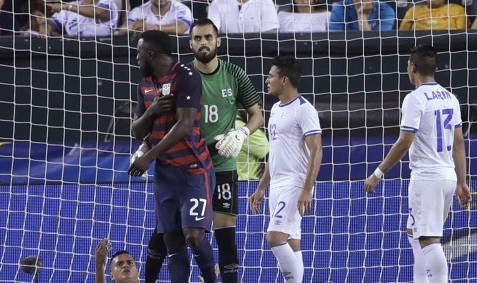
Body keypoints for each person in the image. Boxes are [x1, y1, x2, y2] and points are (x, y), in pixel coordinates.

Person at [137, 19, 264, 283]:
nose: (203, 42)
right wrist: (148, 143)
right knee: (166, 235)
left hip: (222, 164)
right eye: (197, 38)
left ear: (218, 41)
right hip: (182, 163)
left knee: (224, 233)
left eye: (208, 37)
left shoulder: (234, 73)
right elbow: (163, 120)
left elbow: (256, 115)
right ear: (190, 43)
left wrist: (241, 132)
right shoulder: (179, 76)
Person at [364, 44, 472, 283]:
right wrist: (462, 182)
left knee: (429, 240)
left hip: (427, 178)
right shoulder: (451, 98)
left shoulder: (415, 98)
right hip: (447, 176)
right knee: (415, 232)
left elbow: (405, 141)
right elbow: (459, 143)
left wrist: (378, 173)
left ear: (412, 68)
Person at [128, 30, 217, 283]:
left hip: (194, 170)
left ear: (151, 54)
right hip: (166, 174)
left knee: (194, 236)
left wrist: (149, 157)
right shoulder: (144, 84)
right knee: (172, 240)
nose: (136, 58)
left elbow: (185, 124)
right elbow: (136, 130)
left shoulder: (186, 76)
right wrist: (152, 111)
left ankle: (212, 277)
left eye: (139, 52)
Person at [249, 55, 323, 283]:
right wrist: (262, 187)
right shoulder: (275, 109)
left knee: (275, 237)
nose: (267, 80)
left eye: (271, 75)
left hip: (295, 183)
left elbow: (317, 150)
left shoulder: (304, 109)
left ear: (284, 80)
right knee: (292, 242)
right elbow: (274, 153)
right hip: (278, 185)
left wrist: (306, 188)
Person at [117, 0, 192, 36]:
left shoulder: (182, 9)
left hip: (178, 50)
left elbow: (181, 28)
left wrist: (153, 28)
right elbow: (122, 30)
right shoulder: (139, 10)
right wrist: (136, 26)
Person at [45, 0, 118, 37]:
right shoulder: (70, 8)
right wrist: (45, 27)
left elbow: (99, 12)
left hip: (103, 51)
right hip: (76, 52)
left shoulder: (108, 3)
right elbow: (51, 24)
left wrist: (68, 7)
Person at [207, 0, 279, 34]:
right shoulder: (217, 3)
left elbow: (270, 38)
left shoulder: (266, 2)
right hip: (228, 53)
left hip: (259, 52)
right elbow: (211, 33)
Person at [235, 108, 269, 180]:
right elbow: (274, 157)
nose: (260, 110)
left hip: (236, 181)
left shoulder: (228, 125)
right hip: (251, 183)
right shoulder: (248, 131)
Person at [329, 0, 395, 31]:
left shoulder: (385, 10)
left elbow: (375, 43)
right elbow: (335, 40)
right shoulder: (339, 8)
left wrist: (362, 15)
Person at [399, 0, 466, 30]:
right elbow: (402, 34)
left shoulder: (458, 9)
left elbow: (461, 34)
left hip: (446, 43)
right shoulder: (413, 10)